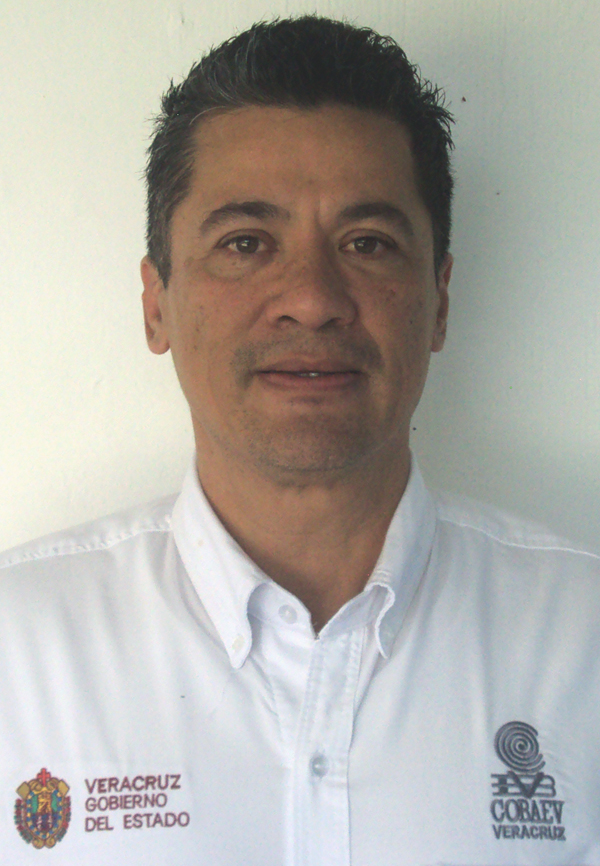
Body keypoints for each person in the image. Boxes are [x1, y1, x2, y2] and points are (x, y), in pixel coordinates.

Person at [1, 14, 599, 865]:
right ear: (156, 304)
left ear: (439, 300)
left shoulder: (583, 641)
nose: (312, 299)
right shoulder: (19, 652)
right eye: (245, 243)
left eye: (367, 243)